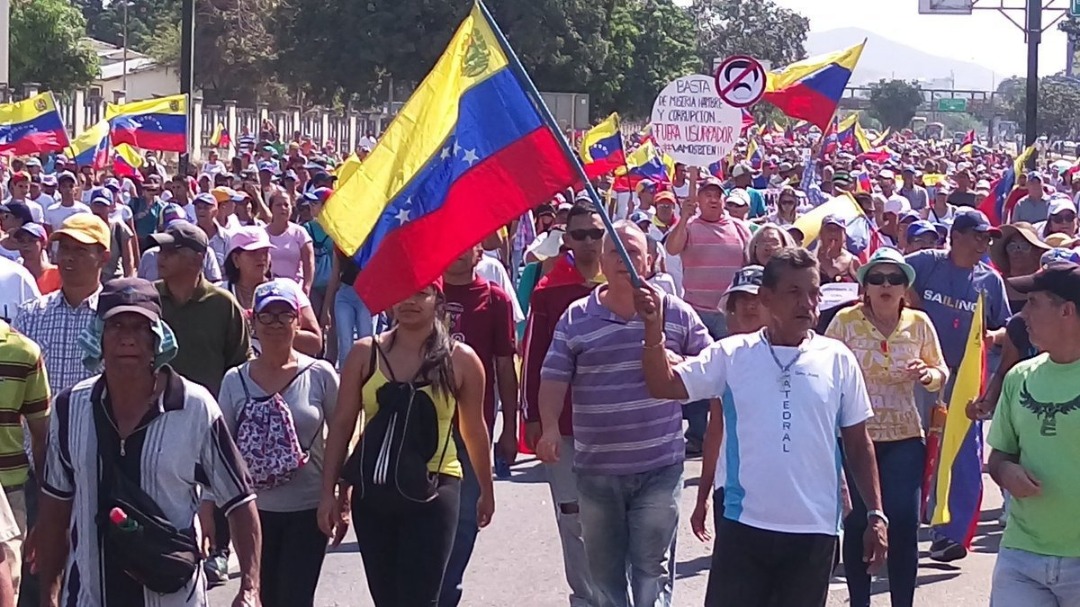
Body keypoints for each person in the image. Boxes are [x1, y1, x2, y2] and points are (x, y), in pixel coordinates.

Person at [637, 247, 888, 607]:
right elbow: (662, 385)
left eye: (814, 293)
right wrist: (652, 329)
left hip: (813, 531)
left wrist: (876, 513)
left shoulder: (837, 359)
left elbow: (858, 441)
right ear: (766, 298)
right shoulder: (733, 354)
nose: (807, 303)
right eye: (794, 292)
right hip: (745, 527)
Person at [35, 277, 262, 606]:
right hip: (89, 597)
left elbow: (240, 502)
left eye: (140, 327)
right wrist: (49, 594)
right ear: (98, 337)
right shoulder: (70, 408)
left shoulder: (194, 407)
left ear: (158, 339)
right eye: (117, 326)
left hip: (172, 597)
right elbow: (56, 505)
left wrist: (250, 588)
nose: (128, 338)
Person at [537, 221, 711, 607]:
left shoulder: (676, 313)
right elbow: (552, 378)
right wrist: (549, 427)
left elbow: (712, 365)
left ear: (650, 261)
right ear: (601, 260)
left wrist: (676, 363)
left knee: (651, 571)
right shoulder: (576, 316)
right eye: (615, 251)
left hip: (659, 467)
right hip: (597, 470)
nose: (624, 260)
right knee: (605, 576)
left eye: (632, 251)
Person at [317, 281, 495, 607]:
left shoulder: (461, 360)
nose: (408, 301)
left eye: (420, 293)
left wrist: (485, 489)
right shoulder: (364, 354)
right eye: (401, 292)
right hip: (375, 490)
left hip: (435, 488)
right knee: (386, 598)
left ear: (438, 300)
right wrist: (329, 493)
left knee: (420, 597)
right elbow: (342, 426)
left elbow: (473, 429)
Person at [825, 248, 948, 607]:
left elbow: (940, 370)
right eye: (876, 278)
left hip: (905, 436)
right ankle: (859, 601)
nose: (885, 285)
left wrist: (927, 375)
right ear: (864, 286)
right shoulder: (844, 322)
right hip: (854, 435)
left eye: (894, 278)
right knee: (860, 520)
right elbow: (824, 366)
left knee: (905, 523)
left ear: (905, 287)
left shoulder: (920, 323)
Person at [218, 280, 339, 607]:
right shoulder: (234, 380)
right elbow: (219, 453)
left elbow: (342, 437)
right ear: (253, 322)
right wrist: (210, 511)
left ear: (298, 322)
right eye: (266, 317)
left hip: (308, 509)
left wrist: (339, 497)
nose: (275, 324)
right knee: (264, 596)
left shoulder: (321, 375)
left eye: (284, 315)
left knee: (295, 598)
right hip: (252, 513)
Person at [906, 208, 1011, 562]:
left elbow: (1006, 327)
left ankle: (951, 534)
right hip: (921, 372)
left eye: (987, 238)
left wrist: (991, 336)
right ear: (957, 236)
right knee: (915, 448)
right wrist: (913, 303)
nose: (984, 243)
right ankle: (908, 519)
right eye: (978, 235)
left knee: (963, 454)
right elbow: (890, 273)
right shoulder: (926, 263)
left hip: (965, 378)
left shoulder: (989, 280)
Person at [520, 202, 604, 606]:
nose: (589, 242)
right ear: (566, 240)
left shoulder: (625, 285)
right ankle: (585, 598)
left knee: (616, 516)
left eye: (596, 233)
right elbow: (533, 357)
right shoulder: (549, 290)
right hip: (565, 426)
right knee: (573, 515)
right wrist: (533, 418)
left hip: (616, 428)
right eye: (580, 234)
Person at [988, 262, 1080, 606]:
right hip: (1021, 557)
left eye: (1034, 303)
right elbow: (999, 455)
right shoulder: (1019, 377)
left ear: (1067, 310)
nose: (1022, 314)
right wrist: (1004, 471)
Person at [438, 244, 518, 606]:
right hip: (426, 429)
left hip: (473, 428)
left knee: (466, 518)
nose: (457, 252)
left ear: (478, 253)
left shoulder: (495, 299)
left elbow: (504, 368)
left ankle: (446, 592)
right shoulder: (424, 294)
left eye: (465, 245)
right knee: (427, 518)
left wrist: (510, 428)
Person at [687, 266, 768, 554]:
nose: (749, 304)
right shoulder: (724, 357)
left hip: (780, 489)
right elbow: (715, 430)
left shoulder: (799, 353)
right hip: (732, 489)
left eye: (757, 297)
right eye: (741, 299)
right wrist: (703, 496)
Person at [0, 313, 49, 606]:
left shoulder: (23, 352)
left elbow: (41, 436)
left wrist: (45, 507)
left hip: (10, 490)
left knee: (6, 591)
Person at [222, 227, 323, 356]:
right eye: (253, 252)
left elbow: (315, 343)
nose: (261, 258)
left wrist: (274, 326)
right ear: (235, 259)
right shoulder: (221, 294)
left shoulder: (288, 288)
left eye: (265, 251)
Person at [265, 191, 314, 294]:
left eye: (286, 205)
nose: (283, 208)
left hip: (295, 288)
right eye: (278, 205)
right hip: (269, 288)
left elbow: (309, 262)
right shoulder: (262, 233)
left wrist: (307, 286)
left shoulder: (300, 232)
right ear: (271, 208)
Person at [89, 193, 135, 283]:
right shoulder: (86, 228)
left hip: (115, 280)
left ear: (110, 208)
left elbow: (128, 260)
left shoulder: (118, 228)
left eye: (103, 205)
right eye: (96, 205)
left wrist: (128, 282)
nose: (99, 209)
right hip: (92, 281)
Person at [9, 223, 58, 294]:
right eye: (21, 241)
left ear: (43, 243)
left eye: (31, 240)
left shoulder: (57, 274)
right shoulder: (14, 274)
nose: (26, 245)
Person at [817, 214, 860, 282]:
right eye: (829, 229)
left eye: (837, 230)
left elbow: (862, 288)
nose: (833, 233)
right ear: (821, 234)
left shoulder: (852, 261)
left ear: (844, 235)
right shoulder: (811, 259)